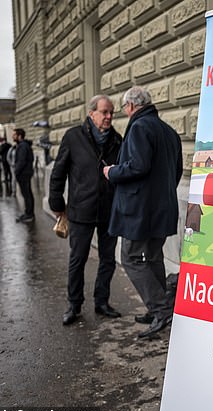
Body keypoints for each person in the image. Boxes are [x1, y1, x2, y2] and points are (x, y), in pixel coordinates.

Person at [103, 86, 183, 339]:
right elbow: (177, 170)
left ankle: (161, 309)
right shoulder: (169, 131)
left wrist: (112, 172)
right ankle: (157, 308)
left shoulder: (138, 127)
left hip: (140, 210)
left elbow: (138, 166)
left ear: (130, 106)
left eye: (124, 108)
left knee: (131, 257)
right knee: (153, 256)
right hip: (163, 206)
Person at [49, 94, 123, 326]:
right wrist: (57, 204)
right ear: (92, 113)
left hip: (108, 209)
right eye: (105, 112)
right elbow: (58, 172)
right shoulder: (73, 137)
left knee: (108, 259)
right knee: (78, 259)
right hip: (80, 210)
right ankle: (74, 304)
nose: (109, 116)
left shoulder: (117, 140)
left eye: (112, 112)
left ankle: (102, 302)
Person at [13, 128, 34, 222]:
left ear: (19, 136)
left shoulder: (23, 146)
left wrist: (16, 171)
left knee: (26, 194)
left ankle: (29, 214)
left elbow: (21, 161)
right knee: (27, 194)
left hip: (24, 174)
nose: (12, 136)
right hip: (25, 173)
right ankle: (28, 213)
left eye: (14, 135)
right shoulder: (23, 145)